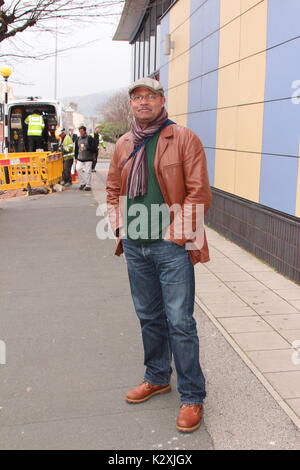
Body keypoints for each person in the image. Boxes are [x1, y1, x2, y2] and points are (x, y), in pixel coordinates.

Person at [106, 77, 212, 433]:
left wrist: (176, 235)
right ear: (131, 104)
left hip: (171, 246)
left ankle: (192, 395)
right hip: (135, 245)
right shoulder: (123, 143)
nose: (143, 102)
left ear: (161, 100)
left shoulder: (182, 138)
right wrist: (120, 226)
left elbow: (198, 194)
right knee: (148, 316)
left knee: (179, 320)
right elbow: (112, 190)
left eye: (149, 96)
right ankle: (157, 377)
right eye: (136, 97)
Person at [74, 125, 97, 191]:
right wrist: (75, 158)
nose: (80, 132)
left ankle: (88, 185)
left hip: (88, 158)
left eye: (81, 131)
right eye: (79, 131)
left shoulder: (90, 138)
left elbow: (94, 149)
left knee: (88, 172)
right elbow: (76, 149)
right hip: (80, 158)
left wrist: (87, 148)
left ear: (85, 131)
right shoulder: (78, 139)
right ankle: (83, 182)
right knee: (78, 169)